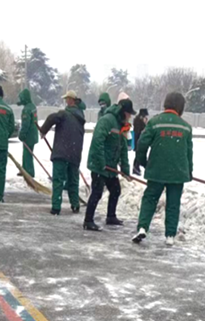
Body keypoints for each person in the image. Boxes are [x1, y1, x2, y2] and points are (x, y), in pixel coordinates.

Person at [133, 92, 193, 246]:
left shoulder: (155, 122)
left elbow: (142, 143)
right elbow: (188, 152)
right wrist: (189, 171)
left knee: (150, 199)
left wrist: (142, 161)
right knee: (173, 203)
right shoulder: (185, 127)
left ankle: (142, 227)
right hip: (178, 172)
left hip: (157, 170)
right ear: (181, 108)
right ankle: (170, 235)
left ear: (165, 104)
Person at [83, 99, 134, 231]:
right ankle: (88, 220)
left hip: (110, 166)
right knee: (97, 192)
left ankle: (111, 216)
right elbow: (97, 142)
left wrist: (125, 170)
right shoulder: (107, 121)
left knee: (116, 190)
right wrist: (102, 164)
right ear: (123, 112)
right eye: (129, 114)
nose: (129, 117)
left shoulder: (120, 124)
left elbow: (123, 149)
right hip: (99, 165)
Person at [40, 90, 86, 215]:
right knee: (73, 180)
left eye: (67, 99)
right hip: (75, 154)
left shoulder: (64, 114)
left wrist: (43, 130)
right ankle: (75, 205)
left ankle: (56, 207)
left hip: (61, 153)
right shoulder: (80, 117)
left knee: (58, 180)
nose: (65, 101)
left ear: (70, 100)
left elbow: (51, 118)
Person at [17, 89, 39, 178]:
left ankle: (29, 172)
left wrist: (22, 134)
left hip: (29, 135)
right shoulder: (32, 106)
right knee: (26, 152)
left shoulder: (26, 110)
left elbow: (26, 124)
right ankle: (24, 169)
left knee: (28, 154)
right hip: (33, 134)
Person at [132, 108, 149, 176]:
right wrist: (144, 124)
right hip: (138, 138)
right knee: (138, 153)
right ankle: (136, 167)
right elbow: (140, 130)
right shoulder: (138, 120)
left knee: (138, 153)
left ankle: (136, 167)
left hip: (138, 138)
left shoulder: (137, 119)